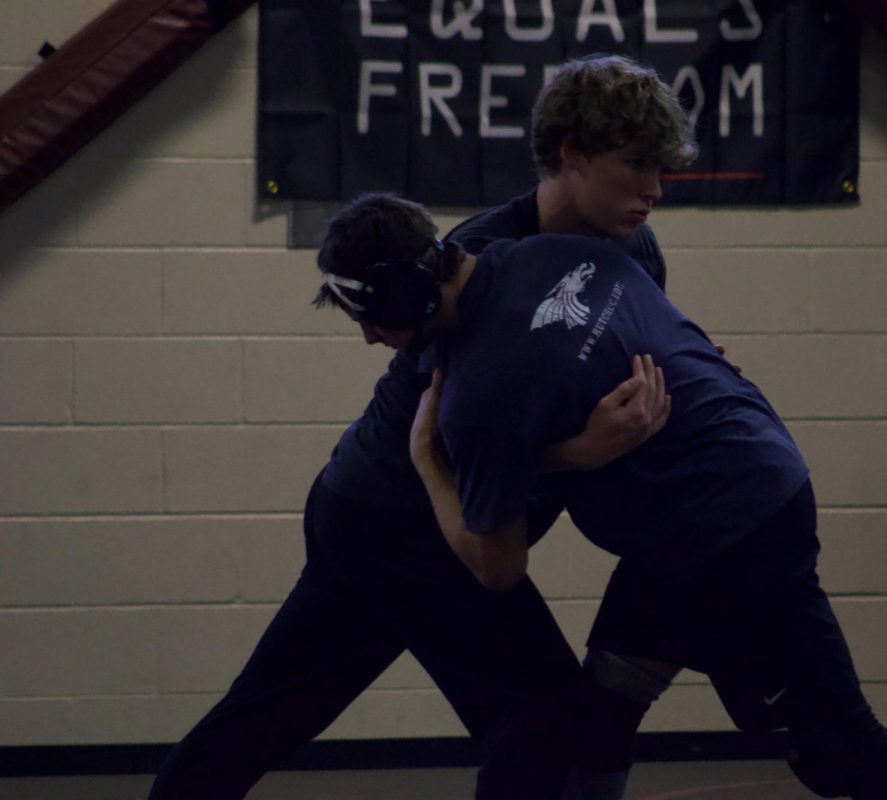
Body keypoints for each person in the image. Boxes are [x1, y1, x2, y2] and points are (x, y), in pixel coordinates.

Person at [148, 54, 688, 800]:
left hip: (393, 517)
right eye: (636, 166)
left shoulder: (636, 253)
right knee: (537, 719)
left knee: (267, 714)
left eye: (661, 168)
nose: (654, 191)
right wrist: (572, 453)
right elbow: (441, 443)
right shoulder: (474, 271)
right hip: (399, 521)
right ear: (571, 155)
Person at [312, 191, 887, 800]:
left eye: (368, 320)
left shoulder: (477, 396)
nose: (370, 339)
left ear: (399, 298)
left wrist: (427, 464)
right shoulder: (560, 254)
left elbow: (498, 566)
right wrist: (570, 452)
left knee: (839, 741)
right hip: (719, 499)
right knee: (600, 715)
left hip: (729, 532)